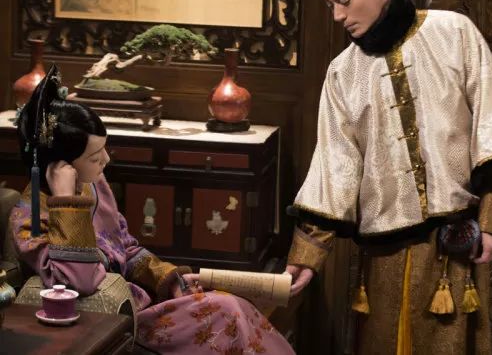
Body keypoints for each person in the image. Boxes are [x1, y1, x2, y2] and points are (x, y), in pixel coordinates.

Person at [285, 0, 492, 354]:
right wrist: (306, 256)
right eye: (330, 5)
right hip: (384, 250)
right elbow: (335, 167)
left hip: (453, 246)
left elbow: (491, 126)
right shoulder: (343, 73)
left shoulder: (453, 33)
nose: (338, 15)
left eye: (345, 0)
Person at [11, 65, 295, 355]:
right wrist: (66, 203)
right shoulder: (30, 217)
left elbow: (126, 247)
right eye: (95, 157)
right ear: (61, 166)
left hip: (141, 301)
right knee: (226, 313)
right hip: (115, 320)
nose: (106, 160)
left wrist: (168, 278)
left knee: (232, 306)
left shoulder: (93, 185)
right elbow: (80, 282)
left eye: (104, 149)